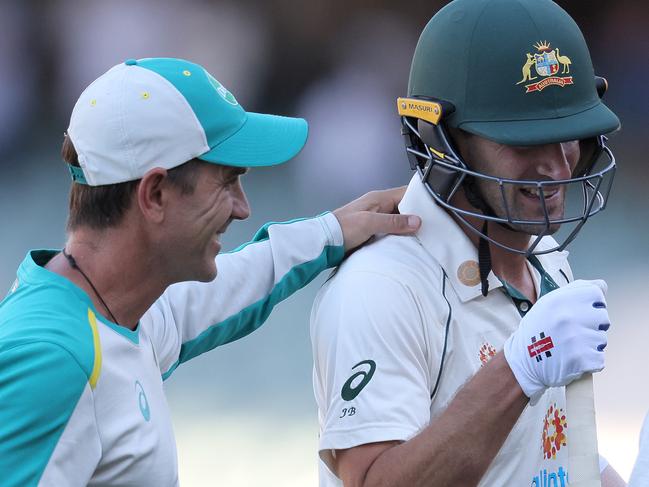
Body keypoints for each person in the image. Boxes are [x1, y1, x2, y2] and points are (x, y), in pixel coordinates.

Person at [0, 57, 422, 486]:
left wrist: (332, 229)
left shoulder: (116, 307)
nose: (243, 207)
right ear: (156, 193)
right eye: (227, 181)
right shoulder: (54, 359)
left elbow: (230, 287)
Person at [310, 1, 628, 485]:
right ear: (441, 139)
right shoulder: (381, 288)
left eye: (570, 135)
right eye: (524, 141)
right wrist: (518, 369)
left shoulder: (542, 257)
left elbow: (549, 459)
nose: (559, 169)